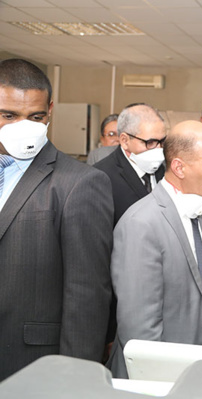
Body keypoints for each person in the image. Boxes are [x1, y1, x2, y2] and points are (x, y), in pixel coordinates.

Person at [0, 59, 112, 380]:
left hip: (31, 363)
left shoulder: (79, 183)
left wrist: (73, 379)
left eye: (36, 117)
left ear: (50, 111)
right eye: (9, 115)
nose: (23, 126)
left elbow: (87, 295)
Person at [108, 121, 202, 378]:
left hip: (200, 371)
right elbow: (140, 330)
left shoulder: (198, 209)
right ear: (179, 167)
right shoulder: (141, 224)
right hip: (162, 378)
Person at [95, 103, 166, 225]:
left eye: (162, 141)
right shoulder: (100, 178)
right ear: (124, 140)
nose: (158, 149)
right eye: (150, 142)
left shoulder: (163, 170)